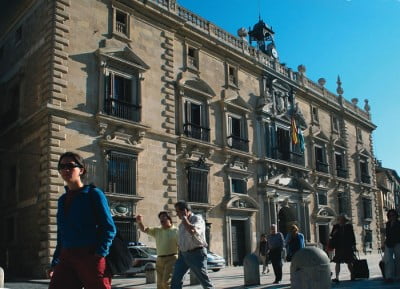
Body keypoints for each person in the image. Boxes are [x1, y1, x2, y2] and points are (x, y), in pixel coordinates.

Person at [48, 152, 116, 289]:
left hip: (90, 255)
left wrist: (100, 254)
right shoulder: (62, 200)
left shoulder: (94, 194)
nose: (65, 170)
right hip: (67, 256)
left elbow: (109, 228)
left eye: (70, 166)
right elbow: (61, 234)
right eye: (62, 166)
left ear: (81, 170)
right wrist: (56, 262)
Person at [171, 200, 215, 289]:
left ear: (185, 210)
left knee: (204, 281)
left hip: (196, 254)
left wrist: (184, 218)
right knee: (176, 279)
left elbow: (192, 231)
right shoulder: (181, 225)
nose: (177, 214)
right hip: (183, 255)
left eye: (178, 211)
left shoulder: (197, 218)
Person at [136, 211, 178, 289]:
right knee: (159, 285)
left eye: (163, 217)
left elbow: (181, 246)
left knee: (166, 283)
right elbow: (144, 229)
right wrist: (139, 222)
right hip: (159, 259)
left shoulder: (176, 231)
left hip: (172, 258)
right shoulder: (157, 230)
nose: (161, 220)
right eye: (160, 218)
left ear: (169, 219)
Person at [330, 214, 356, 283]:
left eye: (342, 219)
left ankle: (352, 276)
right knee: (337, 262)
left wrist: (354, 246)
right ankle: (337, 277)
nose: (340, 221)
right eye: (339, 219)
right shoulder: (336, 227)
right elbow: (331, 235)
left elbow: (352, 236)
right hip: (339, 247)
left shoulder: (349, 226)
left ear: (345, 220)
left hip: (347, 247)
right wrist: (334, 233)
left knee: (349, 262)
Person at [383, 209, 400, 282]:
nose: (391, 217)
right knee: (388, 260)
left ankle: (398, 275)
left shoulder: (399, 223)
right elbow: (387, 234)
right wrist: (384, 243)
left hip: (398, 242)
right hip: (389, 243)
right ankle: (389, 276)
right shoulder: (387, 224)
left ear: (396, 216)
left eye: (393, 215)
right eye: (390, 216)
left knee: (398, 259)